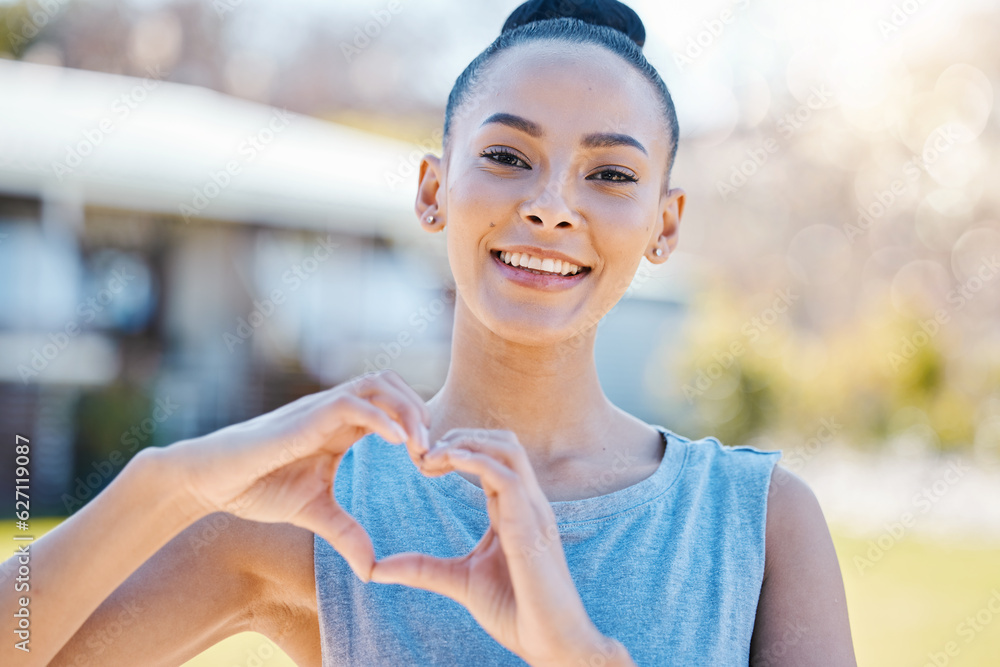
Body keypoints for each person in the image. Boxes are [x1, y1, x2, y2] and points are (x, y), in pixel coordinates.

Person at [2, 1, 857, 665]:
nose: (551, 204)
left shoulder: (761, 520)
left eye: (610, 173)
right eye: (508, 156)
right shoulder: (320, 502)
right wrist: (167, 482)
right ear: (432, 191)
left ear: (664, 225)